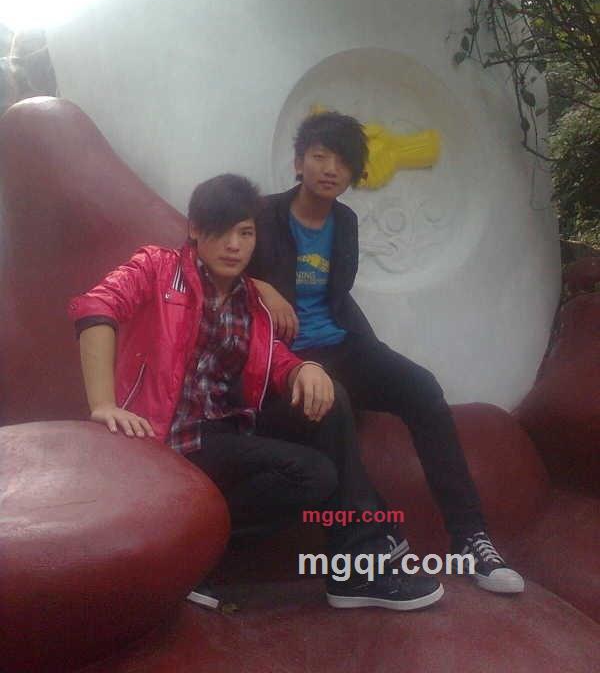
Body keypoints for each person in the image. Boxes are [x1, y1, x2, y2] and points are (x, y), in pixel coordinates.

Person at [68, 173, 444, 611]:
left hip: (222, 436)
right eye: (221, 231)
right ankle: (194, 553)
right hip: (166, 438)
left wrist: (305, 368)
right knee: (315, 464)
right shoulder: (157, 268)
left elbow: (274, 359)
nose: (234, 245)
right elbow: (96, 305)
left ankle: (354, 569)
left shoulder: (252, 302)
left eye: (245, 233)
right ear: (195, 229)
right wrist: (103, 404)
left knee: (326, 429)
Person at [247, 112, 524, 594]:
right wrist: (259, 288)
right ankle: (371, 542)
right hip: (285, 357)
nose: (330, 169)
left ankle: (470, 536)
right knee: (333, 403)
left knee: (423, 389)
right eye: (319, 156)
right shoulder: (262, 215)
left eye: (342, 161)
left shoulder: (345, 222)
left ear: (354, 173)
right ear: (298, 163)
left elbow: (336, 297)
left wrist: (370, 349)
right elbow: (207, 261)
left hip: (342, 344)